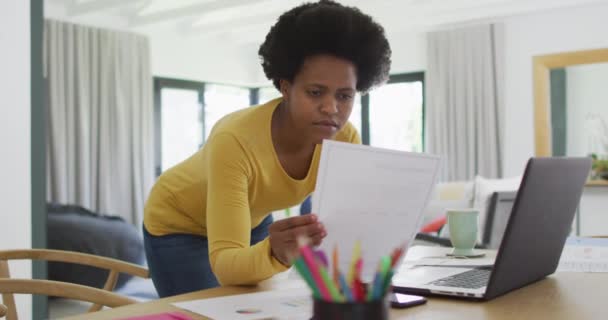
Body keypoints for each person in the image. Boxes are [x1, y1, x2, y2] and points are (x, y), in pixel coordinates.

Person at [143, 0, 392, 298]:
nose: (331, 108)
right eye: (315, 92)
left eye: (345, 95)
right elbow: (226, 263)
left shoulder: (343, 138)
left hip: (252, 222)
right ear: (285, 87)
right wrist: (278, 252)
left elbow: (340, 218)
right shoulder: (235, 140)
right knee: (208, 313)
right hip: (180, 224)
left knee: (262, 309)